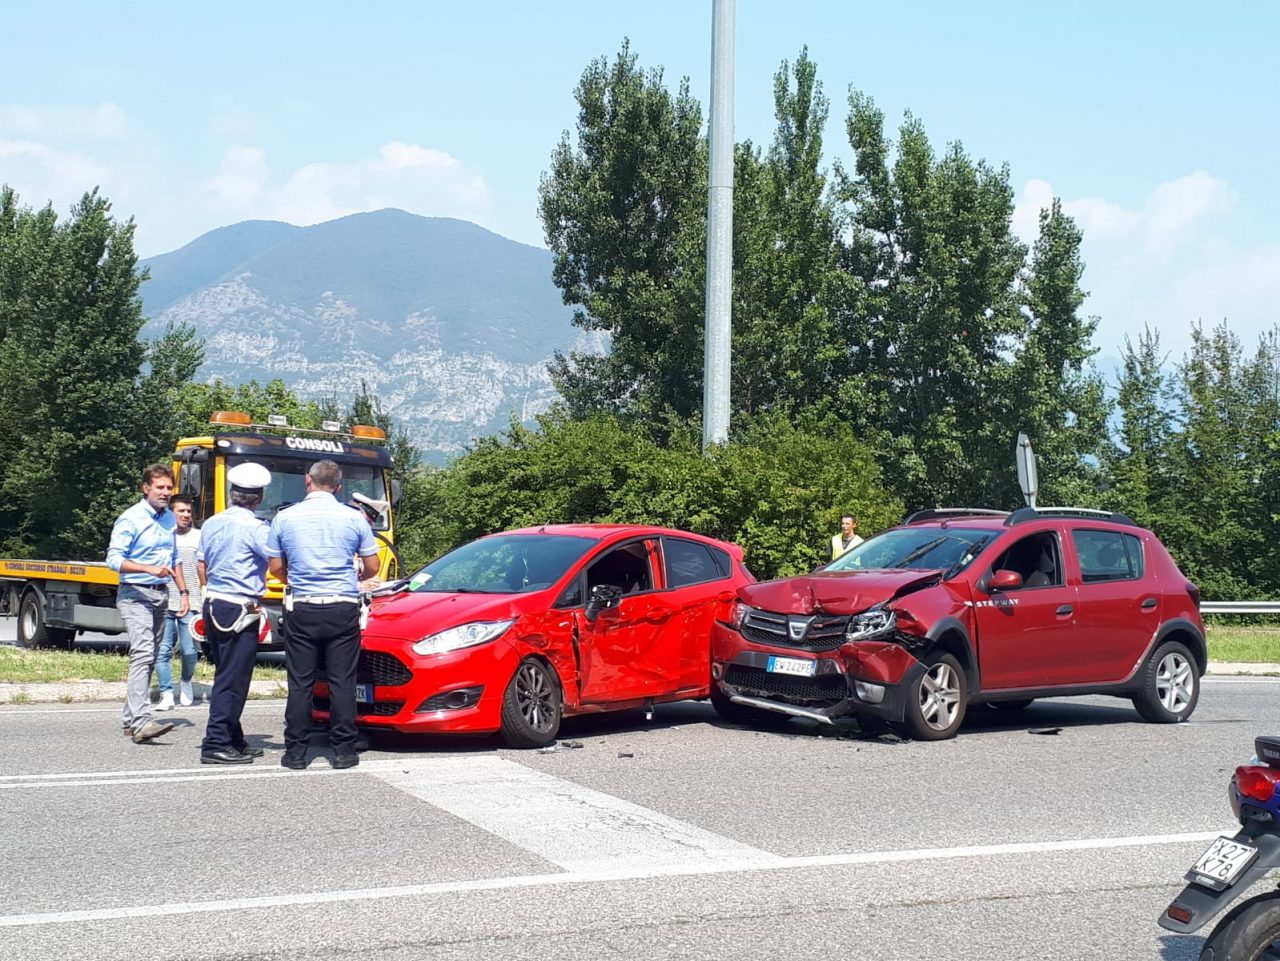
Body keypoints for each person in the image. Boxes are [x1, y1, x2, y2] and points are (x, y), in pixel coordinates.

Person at [267, 460, 379, 770]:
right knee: (342, 681)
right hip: (342, 605)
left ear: (307, 482)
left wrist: (300, 578)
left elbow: (276, 568)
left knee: (300, 682)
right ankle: (343, 749)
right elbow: (373, 567)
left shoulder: (284, 517)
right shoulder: (354, 518)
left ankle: (296, 751)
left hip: (302, 605)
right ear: (339, 487)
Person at [106, 464, 188, 744]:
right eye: (160, 487)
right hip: (135, 593)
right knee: (142, 654)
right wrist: (147, 569)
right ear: (146, 488)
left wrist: (184, 592)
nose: (165, 493)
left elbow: (174, 557)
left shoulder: (168, 520)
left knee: (152, 656)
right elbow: (114, 560)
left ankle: (131, 720)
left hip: (161, 595)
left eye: (169, 488)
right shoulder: (130, 519)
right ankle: (142, 721)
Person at [198, 462, 273, 765]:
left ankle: (233, 738)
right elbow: (278, 559)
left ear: (232, 493)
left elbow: (201, 565)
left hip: (215, 600)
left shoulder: (212, 523)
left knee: (227, 673)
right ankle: (215, 741)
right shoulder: (256, 528)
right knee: (234, 679)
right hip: (239, 605)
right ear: (258, 498)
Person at [155, 494, 201, 711]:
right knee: (163, 649)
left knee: (189, 650)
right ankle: (166, 692)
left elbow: (204, 568)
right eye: (181, 511)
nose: (186, 515)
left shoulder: (198, 537)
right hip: (165, 600)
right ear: (171, 513)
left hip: (190, 601)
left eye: (188, 511)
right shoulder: (162, 536)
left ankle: (186, 682)